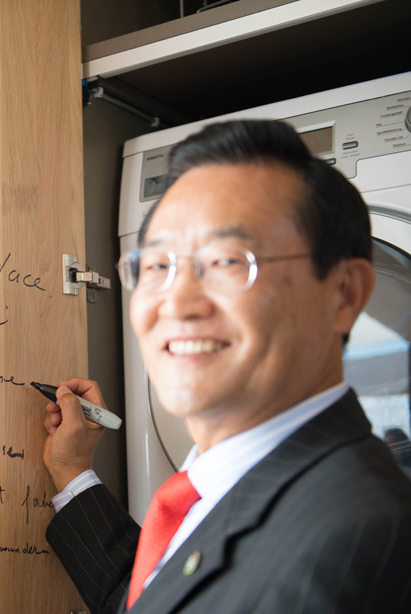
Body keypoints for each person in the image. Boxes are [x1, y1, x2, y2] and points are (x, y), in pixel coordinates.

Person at [40, 119, 411, 613]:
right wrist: (73, 471)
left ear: (343, 294)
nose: (176, 303)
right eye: (156, 267)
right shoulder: (222, 489)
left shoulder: (356, 537)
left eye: (228, 262)